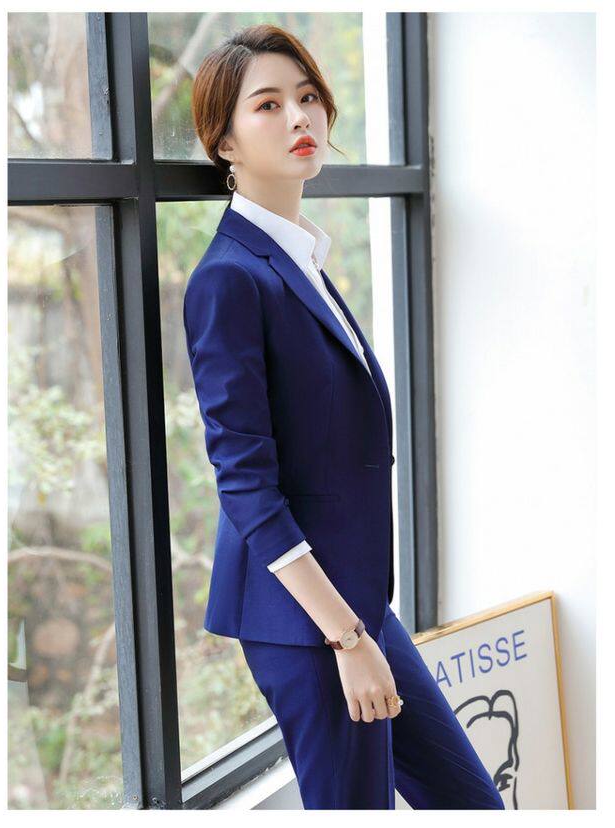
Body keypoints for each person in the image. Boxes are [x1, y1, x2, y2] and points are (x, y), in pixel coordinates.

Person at [184, 23, 505, 810]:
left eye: (307, 97)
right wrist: (347, 639)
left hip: (354, 602)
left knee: (473, 805)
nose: (300, 117)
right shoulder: (230, 279)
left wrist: (361, 625)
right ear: (224, 142)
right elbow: (246, 487)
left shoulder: (299, 258)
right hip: (309, 624)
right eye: (268, 105)